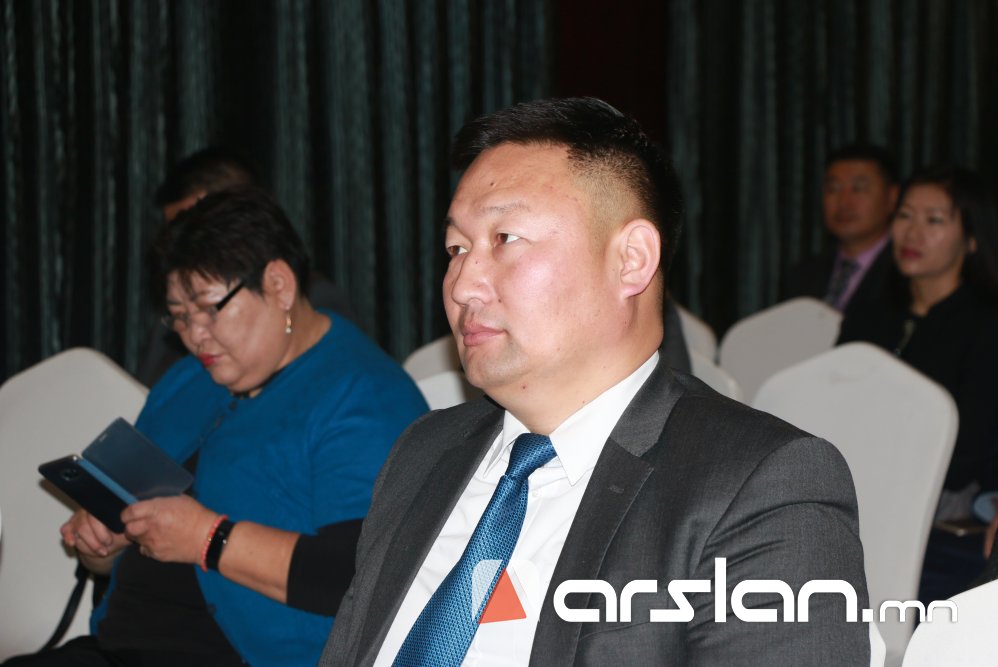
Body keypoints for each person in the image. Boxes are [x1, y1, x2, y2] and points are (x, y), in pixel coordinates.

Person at [320, 98, 869, 666]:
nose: (462, 284)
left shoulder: (760, 486)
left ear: (631, 259)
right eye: (456, 249)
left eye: (505, 238)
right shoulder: (424, 453)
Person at [6, 189, 428, 666]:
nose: (195, 336)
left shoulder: (365, 395)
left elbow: (360, 575)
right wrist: (105, 543)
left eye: (209, 309)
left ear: (279, 285)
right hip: (118, 646)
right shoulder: (188, 379)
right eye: (180, 317)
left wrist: (209, 538)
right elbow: (126, 544)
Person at [838, 165, 998, 602]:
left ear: (971, 238)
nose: (913, 233)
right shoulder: (869, 315)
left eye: (934, 220)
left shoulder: (986, 325)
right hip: (854, 489)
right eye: (905, 216)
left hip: (940, 502)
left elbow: (967, 449)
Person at [137, 147, 357, 386]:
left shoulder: (315, 304)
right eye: (181, 316)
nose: (195, 335)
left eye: (196, 221)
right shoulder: (178, 313)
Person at [782, 143, 899, 315]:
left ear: (892, 198)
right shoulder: (803, 275)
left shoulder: (906, 274)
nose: (844, 202)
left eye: (858, 189)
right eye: (833, 189)